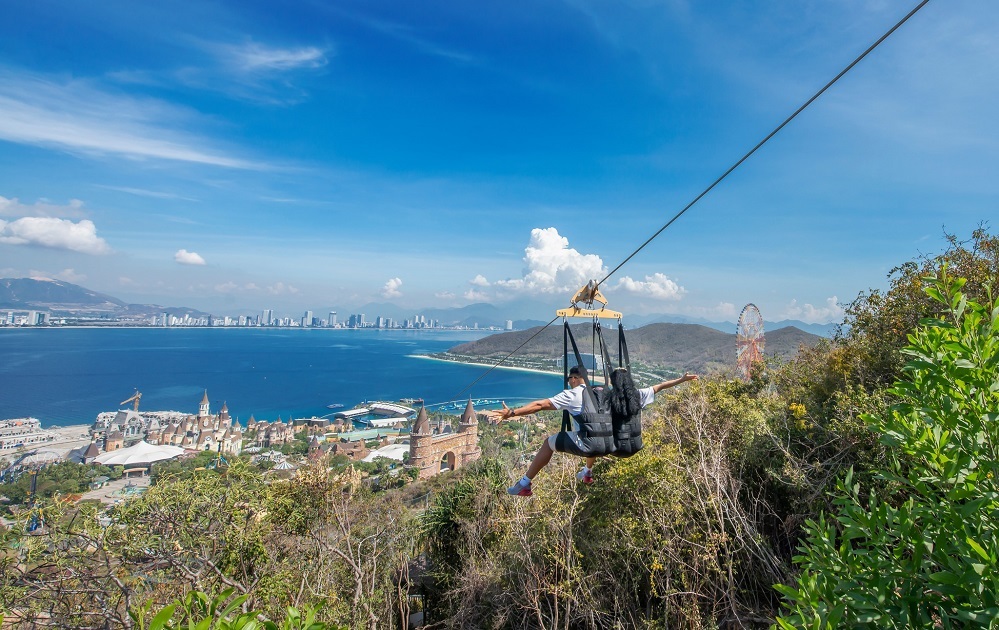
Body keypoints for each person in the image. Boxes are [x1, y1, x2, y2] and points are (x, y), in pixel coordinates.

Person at [489, 366, 698, 497]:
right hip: (611, 445)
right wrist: (681, 380)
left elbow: (540, 404)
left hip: (593, 446)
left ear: (573, 379)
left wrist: (512, 413)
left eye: (570, 379)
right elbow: (658, 387)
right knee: (599, 433)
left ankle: (525, 483)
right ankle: (587, 472)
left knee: (549, 443)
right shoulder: (607, 393)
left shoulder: (576, 394)